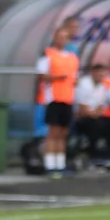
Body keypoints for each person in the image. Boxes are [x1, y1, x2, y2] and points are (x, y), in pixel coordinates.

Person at [35, 26, 80, 177]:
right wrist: (57, 78)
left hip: (68, 98)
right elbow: (42, 76)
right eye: (59, 36)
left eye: (65, 37)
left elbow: (73, 77)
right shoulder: (47, 55)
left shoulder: (72, 57)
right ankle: (49, 165)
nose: (62, 40)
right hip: (54, 98)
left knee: (63, 132)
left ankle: (60, 164)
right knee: (53, 132)